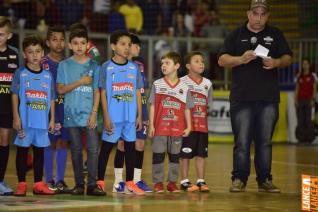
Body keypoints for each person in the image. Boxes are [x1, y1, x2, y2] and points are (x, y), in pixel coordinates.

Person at [218, 0, 292, 193]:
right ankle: (239, 179)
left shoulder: (275, 34)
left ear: (267, 16)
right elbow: (221, 59)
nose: (259, 18)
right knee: (242, 141)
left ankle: (265, 179)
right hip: (242, 98)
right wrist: (240, 59)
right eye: (255, 13)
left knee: (265, 142)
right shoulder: (236, 34)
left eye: (263, 14)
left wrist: (276, 62)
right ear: (248, 14)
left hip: (268, 99)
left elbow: (288, 57)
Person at [56, 23, 105, 196]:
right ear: (70, 45)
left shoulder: (94, 66)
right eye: (75, 43)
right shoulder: (64, 65)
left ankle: (92, 185)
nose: (79, 46)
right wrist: (80, 82)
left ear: (87, 45)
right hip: (71, 114)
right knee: (76, 150)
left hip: (89, 116)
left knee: (92, 150)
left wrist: (93, 113)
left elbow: (96, 92)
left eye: (82, 43)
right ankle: (78, 184)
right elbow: (60, 89)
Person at [96, 30, 144, 195]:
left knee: (130, 149)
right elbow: (102, 93)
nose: (127, 48)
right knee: (106, 149)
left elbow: (137, 91)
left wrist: (139, 115)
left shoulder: (134, 67)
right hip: (113, 118)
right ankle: (100, 182)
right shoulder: (106, 67)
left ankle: (130, 183)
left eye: (129, 45)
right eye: (123, 44)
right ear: (113, 46)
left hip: (130, 117)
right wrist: (107, 116)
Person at [11, 34, 55, 196]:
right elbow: (15, 95)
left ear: (42, 53)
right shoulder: (20, 73)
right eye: (30, 52)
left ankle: (38, 184)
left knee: (39, 152)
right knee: (22, 151)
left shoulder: (47, 76)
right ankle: (21, 184)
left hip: (42, 122)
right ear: (24, 54)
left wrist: (52, 119)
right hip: (25, 121)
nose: (35, 55)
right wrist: (16, 116)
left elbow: (52, 98)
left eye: (38, 51)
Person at [148, 51, 193, 193]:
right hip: (160, 128)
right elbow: (153, 106)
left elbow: (187, 109)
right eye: (162, 63)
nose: (163, 66)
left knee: (174, 157)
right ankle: (158, 183)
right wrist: (151, 125)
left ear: (177, 66)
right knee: (158, 155)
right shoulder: (157, 84)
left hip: (177, 129)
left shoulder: (185, 87)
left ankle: (172, 183)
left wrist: (189, 126)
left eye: (167, 63)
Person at [113, 33, 152, 193]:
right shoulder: (119, 66)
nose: (138, 49)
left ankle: (136, 180)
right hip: (125, 111)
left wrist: (145, 114)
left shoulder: (139, 65)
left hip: (140, 110)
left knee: (140, 144)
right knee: (122, 145)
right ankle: (118, 181)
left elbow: (142, 91)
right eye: (136, 45)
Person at [42, 25, 71, 193]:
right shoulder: (43, 63)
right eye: (54, 40)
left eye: (61, 40)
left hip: (64, 108)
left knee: (62, 142)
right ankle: (48, 179)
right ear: (47, 42)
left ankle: (60, 180)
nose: (58, 43)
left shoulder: (68, 64)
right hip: (47, 109)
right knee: (49, 142)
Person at [179, 51, 212, 192]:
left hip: (202, 126)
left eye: (202, 61)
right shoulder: (181, 82)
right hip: (187, 127)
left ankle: (200, 180)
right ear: (188, 65)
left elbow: (208, 104)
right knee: (185, 154)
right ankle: (184, 181)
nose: (201, 63)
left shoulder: (208, 83)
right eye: (196, 61)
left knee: (201, 154)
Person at [0, 16, 19, 196]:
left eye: (1, 34)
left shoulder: (14, 54)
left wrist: (17, 113)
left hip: (6, 107)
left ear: (9, 35)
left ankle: (0, 180)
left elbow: (18, 85)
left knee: (4, 140)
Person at [294, 58, 317, 143]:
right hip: (300, 100)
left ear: (309, 65)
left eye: (306, 64)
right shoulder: (299, 75)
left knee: (309, 120)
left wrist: (313, 99)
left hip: (309, 100)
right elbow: (297, 88)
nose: (305, 65)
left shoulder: (313, 75)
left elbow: (315, 88)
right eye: (303, 64)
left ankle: (310, 139)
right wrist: (295, 99)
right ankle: (301, 139)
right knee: (300, 119)